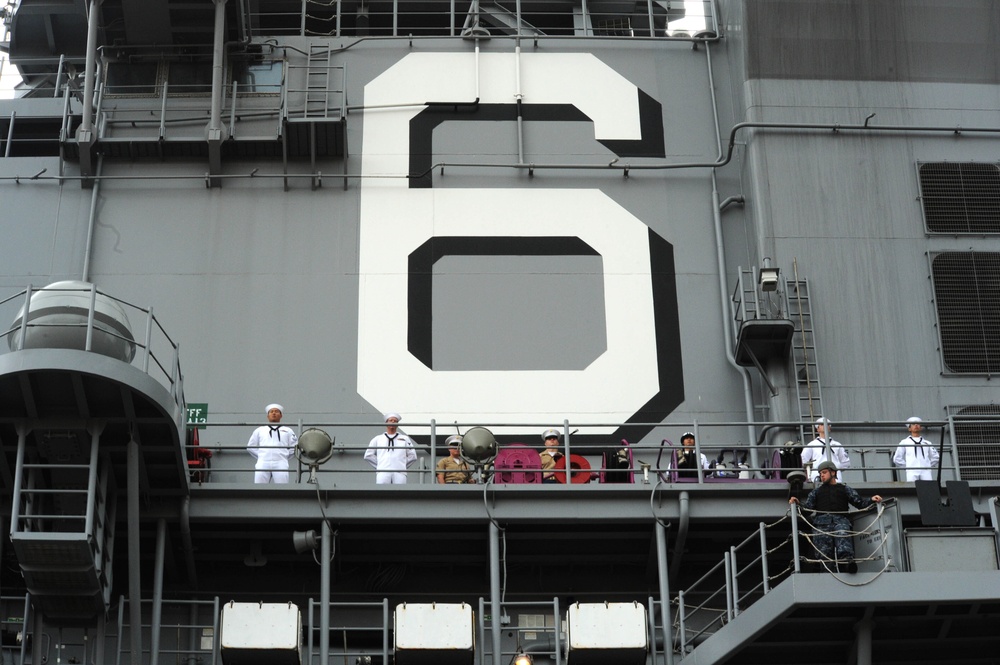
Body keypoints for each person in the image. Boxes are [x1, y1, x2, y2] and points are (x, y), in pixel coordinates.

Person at [789, 460, 883, 573]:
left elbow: (859, 503)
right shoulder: (816, 492)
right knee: (824, 553)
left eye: (824, 472)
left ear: (833, 473)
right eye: (820, 473)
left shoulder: (844, 489)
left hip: (841, 521)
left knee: (844, 543)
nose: (821, 475)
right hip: (822, 525)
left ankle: (847, 565)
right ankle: (827, 570)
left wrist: (872, 500)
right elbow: (807, 509)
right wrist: (797, 504)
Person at [246, 403, 297, 484]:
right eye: (271, 411)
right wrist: (261, 455)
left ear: (281, 415)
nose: (274, 413)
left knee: (282, 487)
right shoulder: (260, 430)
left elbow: (294, 447)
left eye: (277, 411)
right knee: (259, 487)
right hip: (263, 462)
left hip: (280, 462)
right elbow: (250, 446)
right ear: (268, 415)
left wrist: (285, 456)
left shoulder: (288, 430)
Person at [364, 412, 417, 484]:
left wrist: (401, 465)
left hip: (399, 472)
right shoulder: (378, 439)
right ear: (386, 422)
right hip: (383, 472)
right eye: (391, 420)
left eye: (395, 421)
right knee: (382, 492)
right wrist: (380, 465)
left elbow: (413, 456)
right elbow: (368, 455)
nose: (393, 422)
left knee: (400, 492)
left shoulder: (404, 439)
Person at [800, 418, 851, 482]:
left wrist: (835, 467)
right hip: (818, 476)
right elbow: (803, 459)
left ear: (830, 428)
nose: (825, 426)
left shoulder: (837, 444)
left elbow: (846, 463)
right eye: (822, 424)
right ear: (818, 429)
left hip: (835, 478)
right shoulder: (812, 444)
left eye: (827, 425)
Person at [892, 416, 940, 481]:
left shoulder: (927, 443)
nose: (916, 425)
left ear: (920, 427)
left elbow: (936, 457)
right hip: (912, 471)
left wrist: (927, 466)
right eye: (913, 424)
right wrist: (908, 467)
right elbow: (897, 458)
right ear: (909, 428)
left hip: (925, 471)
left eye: (918, 424)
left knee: (928, 488)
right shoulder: (904, 442)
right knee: (913, 488)